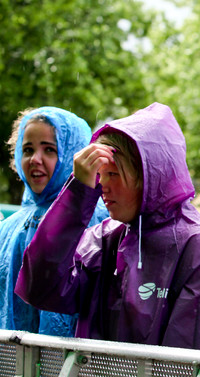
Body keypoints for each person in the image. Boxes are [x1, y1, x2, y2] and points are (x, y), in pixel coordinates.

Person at [15, 102, 200, 351]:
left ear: (150, 175)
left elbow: (190, 361)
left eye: (114, 174)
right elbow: (40, 288)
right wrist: (76, 196)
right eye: (100, 175)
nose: (102, 186)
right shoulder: (105, 239)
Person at [0, 107, 106, 336]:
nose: (35, 160)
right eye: (27, 150)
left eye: (49, 149)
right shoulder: (9, 227)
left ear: (73, 154)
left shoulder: (96, 218)